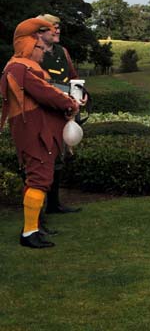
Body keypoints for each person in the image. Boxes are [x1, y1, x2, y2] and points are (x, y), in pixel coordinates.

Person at [1, 18, 81, 248]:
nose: (41, 52)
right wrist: (70, 104)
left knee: (37, 177)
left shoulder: (22, 67)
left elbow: (50, 90)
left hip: (36, 128)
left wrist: (70, 98)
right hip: (35, 130)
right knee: (39, 178)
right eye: (37, 47)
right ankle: (29, 233)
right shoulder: (21, 67)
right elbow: (48, 93)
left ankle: (33, 228)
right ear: (27, 46)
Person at [36, 13, 83, 214]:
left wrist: (81, 94)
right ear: (40, 31)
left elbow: (73, 78)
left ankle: (53, 205)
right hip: (42, 114)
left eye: (58, 26)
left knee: (58, 158)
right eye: (53, 26)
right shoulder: (31, 53)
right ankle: (36, 212)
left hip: (63, 113)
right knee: (41, 160)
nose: (58, 30)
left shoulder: (62, 52)